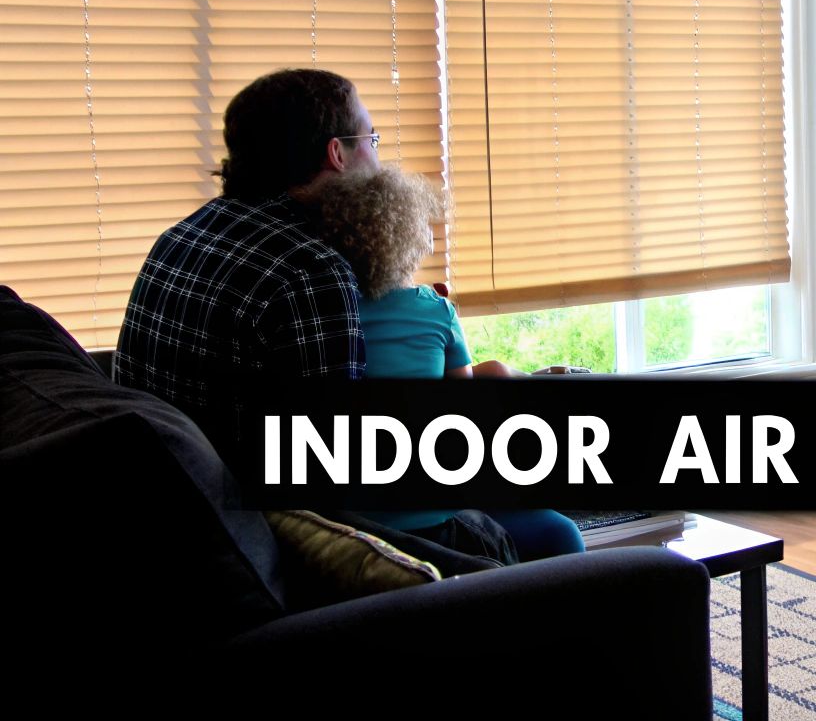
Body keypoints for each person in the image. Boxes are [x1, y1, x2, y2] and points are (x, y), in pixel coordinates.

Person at [307, 163, 586, 561]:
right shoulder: (434, 310)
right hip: (431, 523)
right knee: (554, 533)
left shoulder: (326, 311)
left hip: (354, 523)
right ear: (409, 237)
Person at [114, 68, 374, 458]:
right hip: (254, 514)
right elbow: (333, 461)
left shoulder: (184, 234)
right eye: (371, 139)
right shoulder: (310, 271)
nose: (378, 155)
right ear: (336, 154)